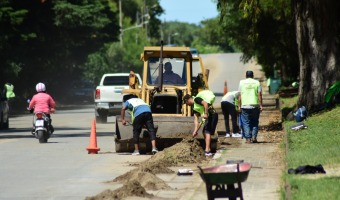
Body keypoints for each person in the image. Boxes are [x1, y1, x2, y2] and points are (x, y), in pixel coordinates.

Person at [183, 90, 218, 156]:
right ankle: (208, 149)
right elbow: (196, 121)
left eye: (186, 103)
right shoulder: (194, 108)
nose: (187, 105)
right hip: (209, 116)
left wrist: (205, 113)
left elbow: (205, 104)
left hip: (212, 114)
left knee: (207, 131)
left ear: (188, 100)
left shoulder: (196, 99)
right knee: (204, 131)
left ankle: (207, 150)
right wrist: (195, 131)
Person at [238, 71, 263, 143]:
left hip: (245, 105)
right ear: (253, 75)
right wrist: (261, 105)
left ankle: (248, 139)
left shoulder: (241, 82)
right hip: (255, 105)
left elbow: (239, 95)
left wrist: (239, 106)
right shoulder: (257, 82)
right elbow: (259, 95)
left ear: (246, 75)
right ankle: (254, 137)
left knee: (246, 122)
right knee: (255, 121)